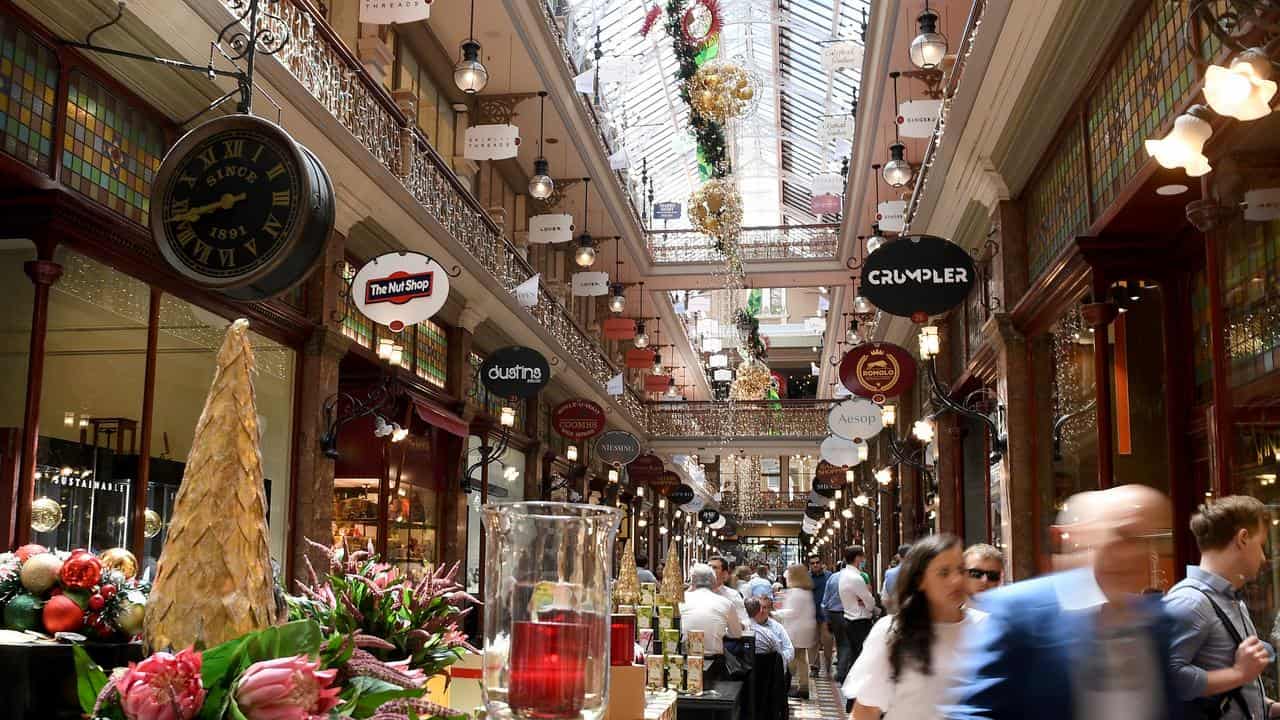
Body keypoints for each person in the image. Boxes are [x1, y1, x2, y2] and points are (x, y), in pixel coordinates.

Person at [945, 484, 1185, 720]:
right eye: (1123, 535)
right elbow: (976, 712)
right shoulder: (1018, 613)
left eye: (1153, 539)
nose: (1137, 553)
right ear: (1081, 538)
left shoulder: (1159, 621)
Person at [843, 534, 986, 719]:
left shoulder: (986, 627)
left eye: (961, 570)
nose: (956, 580)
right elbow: (866, 709)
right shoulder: (893, 631)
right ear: (920, 581)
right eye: (944, 572)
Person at [1166, 495, 1278, 719]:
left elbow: (1228, 693)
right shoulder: (1190, 602)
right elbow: (1167, 677)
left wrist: (1268, 707)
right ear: (1243, 538)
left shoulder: (1231, 600)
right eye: (1261, 545)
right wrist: (1238, 673)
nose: (1264, 558)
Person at [679, 563, 742, 657]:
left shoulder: (681, 600)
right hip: (714, 660)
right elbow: (737, 634)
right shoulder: (726, 603)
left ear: (692, 582)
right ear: (714, 582)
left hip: (684, 657)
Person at [776, 564, 818, 699]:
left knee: (791, 658)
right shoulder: (806, 591)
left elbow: (791, 612)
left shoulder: (796, 592)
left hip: (796, 629)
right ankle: (803, 687)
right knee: (801, 658)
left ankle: (786, 684)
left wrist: (774, 613)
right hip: (805, 628)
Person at [837, 545, 877, 682]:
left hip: (850, 619)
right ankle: (854, 691)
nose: (864, 559)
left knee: (855, 656)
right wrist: (868, 598)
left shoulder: (844, 574)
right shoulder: (855, 578)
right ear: (858, 558)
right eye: (863, 556)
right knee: (860, 658)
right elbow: (870, 602)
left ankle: (852, 690)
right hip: (859, 622)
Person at [808, 554, 835, 677]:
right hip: (811, 616)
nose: (815, 565)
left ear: (821, 563)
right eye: (812, 563)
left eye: (817, 562)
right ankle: (814, 668)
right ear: (810, 565)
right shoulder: (807, 578)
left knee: (827, 642)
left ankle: (828, 666)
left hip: (826, 616)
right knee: (812, 643)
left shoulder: (829, 577)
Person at [746, 595, 794, 665]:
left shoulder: (777, 627)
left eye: (764, 607)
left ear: (769, 610)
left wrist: (778, 660)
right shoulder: (746, 625)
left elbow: (790, 650)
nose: (761, 611)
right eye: (758, 608)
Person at [708, 555, 750, 629]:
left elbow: (745, 622)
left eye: (714, 568)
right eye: (708, 567)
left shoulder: (732, 595)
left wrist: (734, 625)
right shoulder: (697, 594)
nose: (710, 570)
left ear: (724, 574)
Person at [822, 556, 847, 679]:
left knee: (840, 642)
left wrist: (827, 618)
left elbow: (824, 601)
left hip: (834, 614)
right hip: (848, 614)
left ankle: (842, 670)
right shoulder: (854, 578)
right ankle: (842, 671)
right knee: (846, 643)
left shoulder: (832, 577)